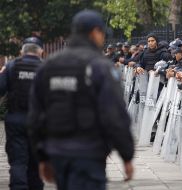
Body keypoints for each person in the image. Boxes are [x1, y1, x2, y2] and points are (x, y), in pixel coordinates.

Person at [28, 10, 134, 190]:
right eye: (102, 34)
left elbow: (35, 116)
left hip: (57, 153)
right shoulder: (100, 66)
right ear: (95, 32)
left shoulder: (48, 66)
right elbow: (114, 114)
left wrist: (42, 157)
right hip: (89, 155)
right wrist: (126, 155)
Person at [0, 37, 44, 190]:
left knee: (18, 161)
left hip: (16, 120)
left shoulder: (11, 66)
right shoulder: (47, 68)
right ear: (41, 51)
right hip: (39, 122)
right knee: (37, 161)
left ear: (21, 51)